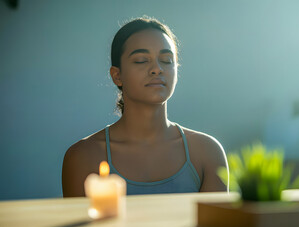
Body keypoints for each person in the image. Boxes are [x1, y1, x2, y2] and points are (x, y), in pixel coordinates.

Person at [62, 16, 229, 197]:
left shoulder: (207, 153)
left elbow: (216, 225)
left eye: (166, 60)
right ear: (117, 75)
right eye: (141, 60)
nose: (157, 69)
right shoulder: (83, 157)